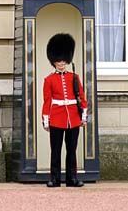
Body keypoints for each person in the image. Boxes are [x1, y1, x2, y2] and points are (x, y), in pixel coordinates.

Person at [42, 33, 88, 188]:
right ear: (53, 61)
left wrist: (83, 116)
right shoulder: (49, 80)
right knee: (55, 151)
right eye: (58, 60)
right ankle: (54, 179)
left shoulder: (74, 77)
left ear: (67, 60)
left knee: (71, 150)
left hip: (73, 118)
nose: (61, 63)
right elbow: (47, 101)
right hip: (56, 117)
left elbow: (81, 96)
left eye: (63, 60)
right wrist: (46, 120)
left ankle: (71, 178)